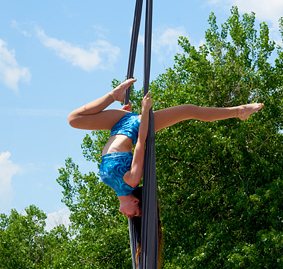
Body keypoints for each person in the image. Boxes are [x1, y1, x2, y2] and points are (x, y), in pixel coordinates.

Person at [68, 78, 264, 219]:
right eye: (135, 214)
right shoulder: (131, 182)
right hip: (135, 126)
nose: (129, 217)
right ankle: (239, 111)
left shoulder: (113, 186)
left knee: (74, 120)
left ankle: (114, 95)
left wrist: (117, 114)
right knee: (189, 110)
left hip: (118, 123)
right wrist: (145, 113)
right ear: (135, 202)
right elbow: (140, 144)